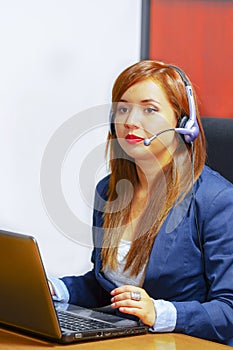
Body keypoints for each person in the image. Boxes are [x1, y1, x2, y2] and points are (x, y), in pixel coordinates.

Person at [49, 60, 233, 345]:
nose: (131, 121)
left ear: (183, 123)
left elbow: (228, 310)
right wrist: (52, 290)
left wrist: (160, 313)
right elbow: (108, 288)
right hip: (125, 340)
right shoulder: (109, 191)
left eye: (149, 109)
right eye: (123, 108)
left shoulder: (216, 201)